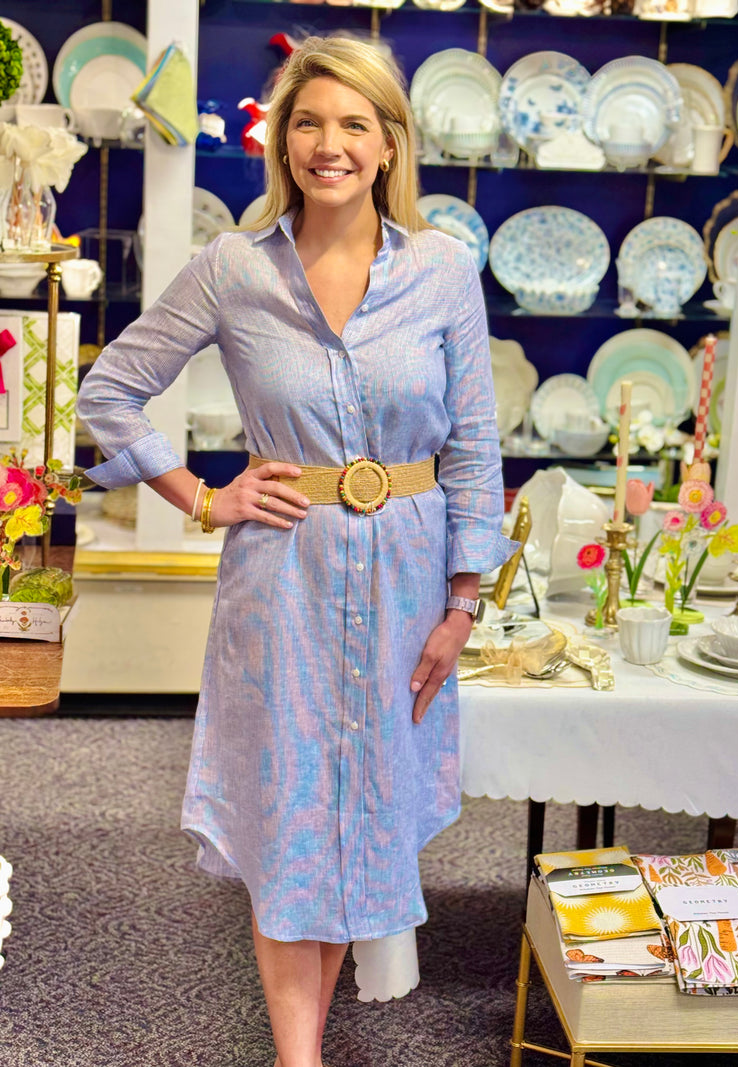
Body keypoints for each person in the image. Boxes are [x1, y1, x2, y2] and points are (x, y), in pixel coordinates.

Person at [77, 34, 514, 1067]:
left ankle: (300, 1047)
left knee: (357, 810)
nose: (329, 145)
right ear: (282, 140)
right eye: (308, 122)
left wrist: (463, 600)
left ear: (388, 141)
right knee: (293, 813)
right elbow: (109, 392)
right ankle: (297, 1055)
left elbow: (473, 446)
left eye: (353, 124)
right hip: (282, 573)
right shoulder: (233, 268)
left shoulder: (444, 271)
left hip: (408, 578)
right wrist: (200, 494)